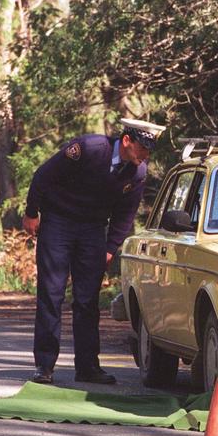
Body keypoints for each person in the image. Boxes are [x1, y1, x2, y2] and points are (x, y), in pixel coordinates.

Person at [22, 118, 165, 384]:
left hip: (92, 230)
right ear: (126, 141)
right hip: (58, 223)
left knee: (87, 300)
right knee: (51, 295)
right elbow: (44, 175)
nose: (146, 155)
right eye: (143, 148)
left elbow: (125, 214)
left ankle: (87, 367)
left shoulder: (137, 173)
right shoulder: (88, 148)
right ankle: (44, 366)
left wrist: (110, 248)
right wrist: (32, 213)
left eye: (149, 150)